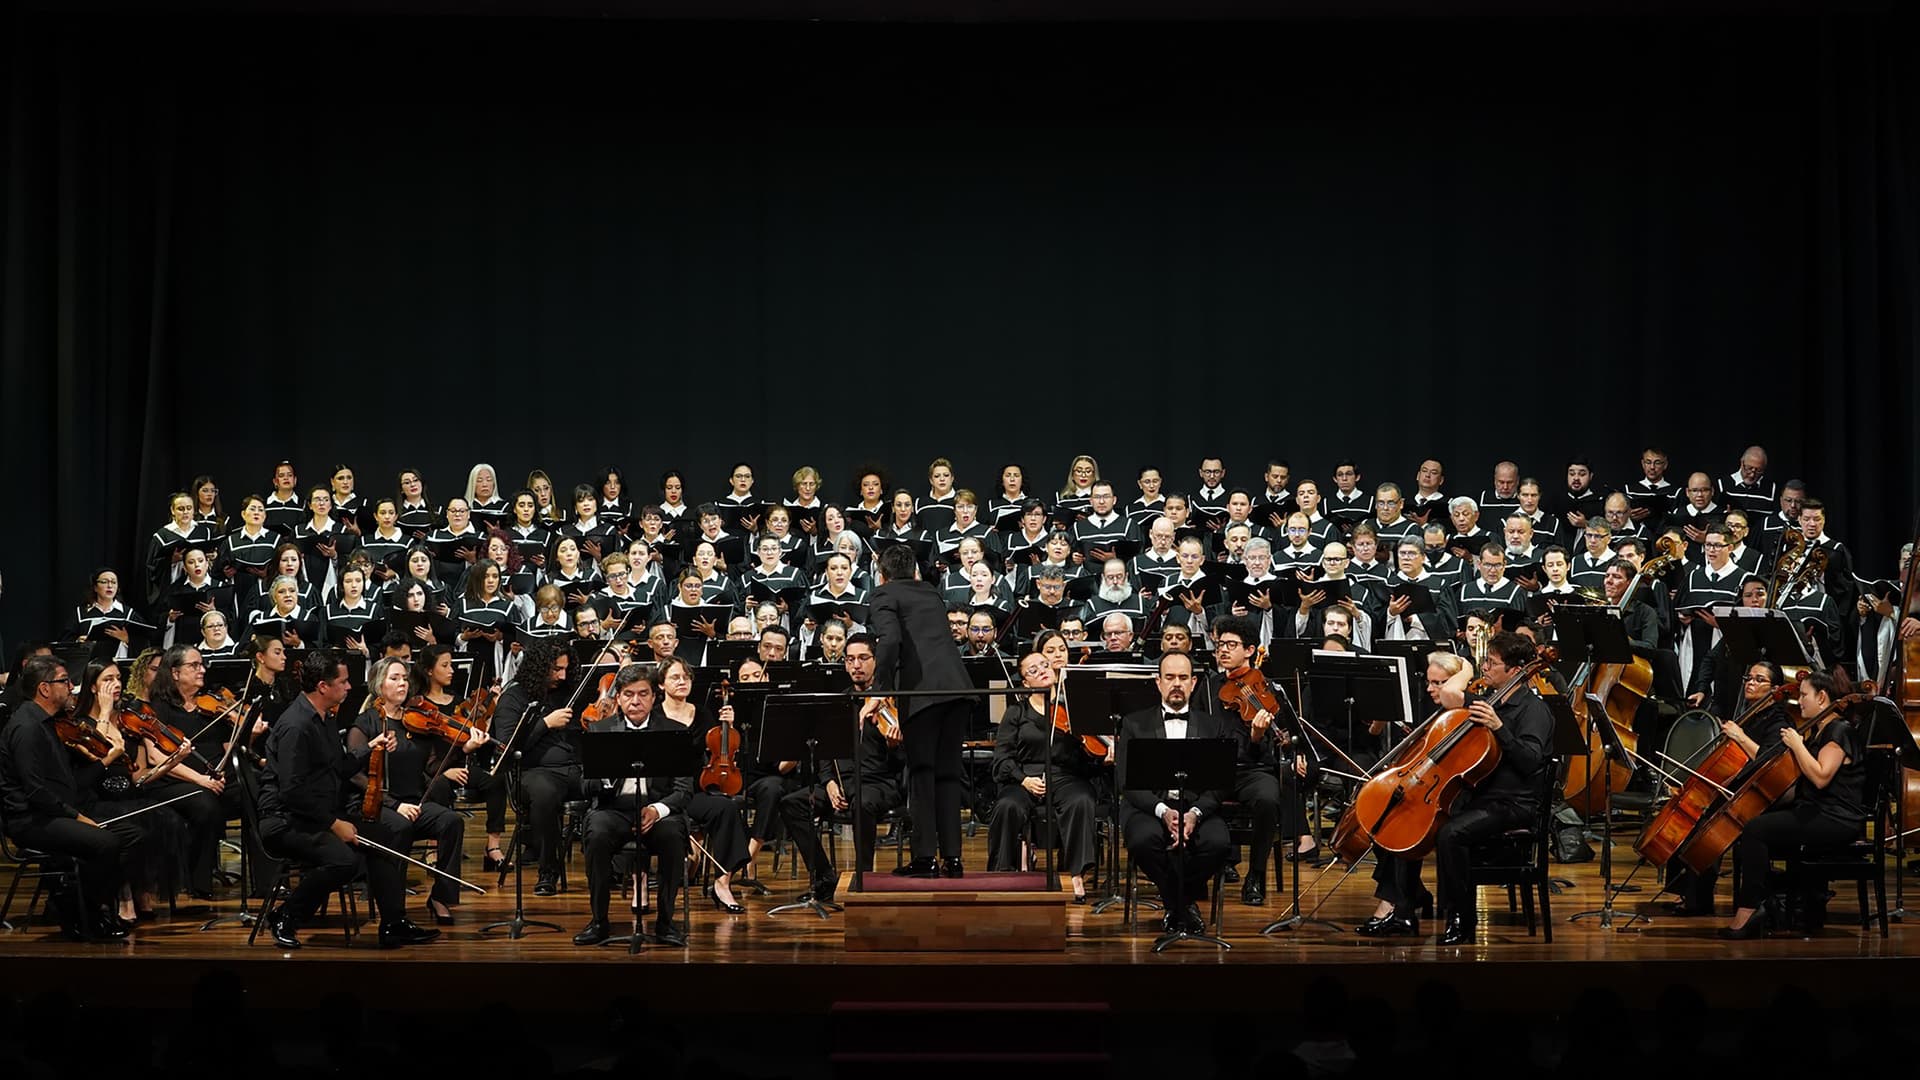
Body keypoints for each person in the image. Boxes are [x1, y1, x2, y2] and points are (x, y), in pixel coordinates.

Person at [1362, 633, 1553, 945]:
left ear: (1516, 670)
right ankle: (1403, 912)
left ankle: (1462, 919)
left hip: (1511, 804)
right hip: (1477, 797)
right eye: (1485, 661)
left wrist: (1499, 728)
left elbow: (1530, 762)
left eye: (1492, 663)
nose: (1484, 668)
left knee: (1451, 833)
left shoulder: (1534, 710)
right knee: (1406, 815)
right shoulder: (1488, 701)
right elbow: (1451, 695)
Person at [255, 648, 440, 949]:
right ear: (323, 687)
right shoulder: (296, 726)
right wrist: (334, 824)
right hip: (284, 820)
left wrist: (370, 747)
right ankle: (285, 915)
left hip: (315, 813)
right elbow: (292, 792)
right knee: (345, 861)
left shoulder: (324, 716)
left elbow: (337, 768)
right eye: (343, 682)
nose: (350, 687)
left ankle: (393, 924)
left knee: (388, 833)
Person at [0, 655, 138, 940]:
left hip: (52, 813)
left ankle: (84, 908)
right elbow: (36, 791)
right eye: (65, 681)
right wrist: (77, 817)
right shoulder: (27, 728)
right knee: (106, 843)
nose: (72, 686)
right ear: (45, 689)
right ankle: (81, 914)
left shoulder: (50, 723)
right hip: (31, 820)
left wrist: (100, 765)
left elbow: (64, 783)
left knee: (127, 834)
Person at [1722, 672, 1866, 937]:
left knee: (1756, 830)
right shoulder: (1819, 729)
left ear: (1822, 697)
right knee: (1753, 829)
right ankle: (1775, 903)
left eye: (1803, 695)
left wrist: (1798, 746)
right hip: (1815, 811)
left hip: (1837, 819)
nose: (1798, 701)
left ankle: (1751, 910)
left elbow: (1821, 778)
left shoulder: (1838, 730)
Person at [869, 542, 973, 877]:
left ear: (882, 575)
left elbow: (889, 642)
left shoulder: (883, 595)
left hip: (923, 694)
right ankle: (953, 860)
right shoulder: (929, 591)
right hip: (958, 689)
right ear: (913, 569)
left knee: (922, 776)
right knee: (947, 775)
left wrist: (879, 690)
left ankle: (926, 858)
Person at [572, 662, 693, 947]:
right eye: (628, 694)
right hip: (613, 809)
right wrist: (605, 776)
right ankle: (599, 922)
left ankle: (665, 923)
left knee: (673, 836)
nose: (635, 701)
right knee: (596, 833)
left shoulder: (674, 731)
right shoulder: (599, 731)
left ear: (654, 697)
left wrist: (657, 810)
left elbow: (684, 789)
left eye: (642, 694)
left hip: (657, 810)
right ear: (618, 698)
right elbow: (583, 785)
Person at [778, 635, 906, 903]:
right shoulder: (839, 703)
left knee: (863, 802)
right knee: (793, 803)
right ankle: (824, 877)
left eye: (863, 658)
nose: (856, 665)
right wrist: (828, 782)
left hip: (879, 784)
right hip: (842, 783)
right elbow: (825, 753)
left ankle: (864, 878)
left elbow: (905, 762)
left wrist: (895, 746)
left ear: (876, 661)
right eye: (850, 660)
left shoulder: (892, 700)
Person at [1116, 650, 1233, 937]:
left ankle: (1176, 905)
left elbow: (1221, 783)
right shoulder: (1134, 723)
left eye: (1183, 677)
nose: (1176, 683)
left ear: (1194, 683)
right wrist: (1163, 811)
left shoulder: (1213, 724)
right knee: (1144, 841)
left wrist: (1194, 814)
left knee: (1218, 844)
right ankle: (1182, 906)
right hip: (1149, 807)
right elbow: (1127, 782)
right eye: (1170, 677)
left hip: (1196, 807)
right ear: (1158, 682)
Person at [1664, 660, 1792, 916]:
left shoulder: (1778, 719)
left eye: (1759, 680)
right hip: (1737, 787)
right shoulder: (1750, 712)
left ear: (1775, 689)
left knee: (1705, 821)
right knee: (1690, 810)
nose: (1751, 683)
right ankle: (1688, 892)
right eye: (1749, 677)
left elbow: (1769, 759)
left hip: (1759, 795)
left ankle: (1698, 898)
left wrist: (1740, 736)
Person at [348, 656, 468, 925]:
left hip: (413, 803)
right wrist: (393, 805)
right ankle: (394, 909)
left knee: (451, 821)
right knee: (399, 827)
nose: (402, 683)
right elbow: (353, 774)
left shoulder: (415, 720)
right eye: (394, 678)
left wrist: (462, 748)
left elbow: (433, 766)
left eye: (404, 678)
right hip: (376, 806)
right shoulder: (365, 723)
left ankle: (440, 896)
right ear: (379, 685)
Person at [988, 650, 1100, 901]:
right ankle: (1002, 874)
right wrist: (1023, 779)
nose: (1042, 670)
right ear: (1025, 682)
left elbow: (1089, 754)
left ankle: (1076, 874)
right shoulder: (1016, 713)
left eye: (1044, 664)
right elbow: (1002, 757)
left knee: (1081, 801)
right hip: (1024, 776)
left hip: (1064, 776)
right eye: (1033, 669)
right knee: (1007, 805)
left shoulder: (1071, 707)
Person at [647, 656, 752, 912]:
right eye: (675, 677)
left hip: (695, 790)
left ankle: (722, 882)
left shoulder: (703, 713)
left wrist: (727, 727)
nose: (682, 682)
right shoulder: (652, 716)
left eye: (686, 677)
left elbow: (721, 751)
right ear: (661, 685)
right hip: (661, 793)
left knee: (726, 808)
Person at [491, 638, 579, 896]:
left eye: (565, 669)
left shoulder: (569, 693)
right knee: (546, 794)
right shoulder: (514, 697)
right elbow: (508, 746)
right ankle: (547, 871)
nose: (562, 676)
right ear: (538, 668)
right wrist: (545, 723)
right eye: (556, 670)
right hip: (533, 772)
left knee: (612, 786)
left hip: (574, 768)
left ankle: (616, 870)